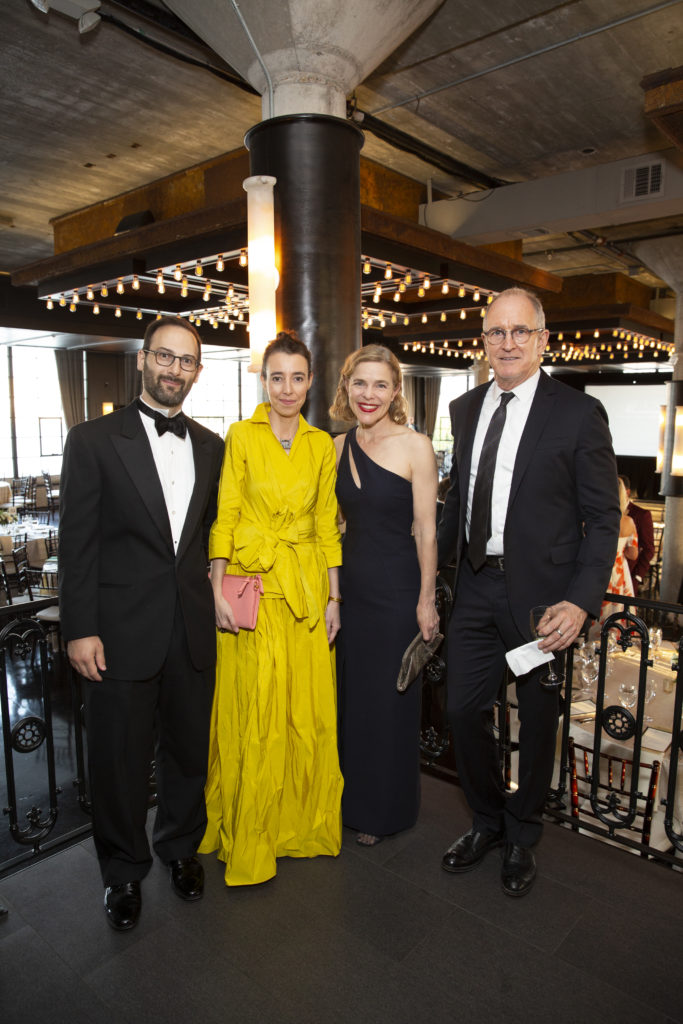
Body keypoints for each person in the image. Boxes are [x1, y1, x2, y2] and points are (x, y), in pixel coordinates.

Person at [437, 287, 620, 897]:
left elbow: (603, 518)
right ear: (483, 342)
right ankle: (486, 820)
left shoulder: (577, 412)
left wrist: (581, 599)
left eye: (521, 332)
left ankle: (522, 833)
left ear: (543, 339)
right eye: (496, 332)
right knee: (462, 711)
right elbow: (459, 500)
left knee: (539, 722)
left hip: (546, 600)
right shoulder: (464, 409)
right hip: (476, 588)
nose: (508, 343)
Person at [59, 316, 224, 930]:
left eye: (186, 361)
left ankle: (180, 849)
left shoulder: (212, 445)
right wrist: (79, 627)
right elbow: (77, 543)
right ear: (143, 361)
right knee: (119, 760)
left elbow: (214, 534)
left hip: (191, 628)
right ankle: (123, 872)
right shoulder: (94, 439)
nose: (174, 369)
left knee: (187, 753)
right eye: (164, 357)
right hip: (118, 631)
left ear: (197, 372)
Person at [200, 330, 343, 885]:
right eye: (276, 377)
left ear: (310, 383)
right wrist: (216, 589)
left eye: (298, 377)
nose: (287, 388)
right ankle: (250, 831)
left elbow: (327, 526)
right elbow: (227, 514)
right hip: (252, 587)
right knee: (254, 712)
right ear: (263, 380)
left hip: (306, 590)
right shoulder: (240, 435)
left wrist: (335, 598)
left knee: (302, 712)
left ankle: (298, 825)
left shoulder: (319, 444)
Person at [330, 345, 439, 846]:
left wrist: (426, 599)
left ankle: (382, 809)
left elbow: (426, 530)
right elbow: (333, 525)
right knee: (352, 701)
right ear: (346, 387)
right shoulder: (335, 446)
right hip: (351, 591)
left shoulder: (415, 446)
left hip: (397, 594)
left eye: (380, 385)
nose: (368, 395)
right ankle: (348, 801)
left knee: (387, 704)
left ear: (396, 391)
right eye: (359, 383)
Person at [600, 477, 638, 621]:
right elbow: (633, 554)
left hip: (601, 566)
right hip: (620, 570)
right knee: (620, 611)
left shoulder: (598, 521)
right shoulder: (628, 522)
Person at [618, 474, 655, 594]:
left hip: (629, 572)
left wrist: (637, 576)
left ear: (627, 492)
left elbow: (648, 549)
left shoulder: (641, 514)